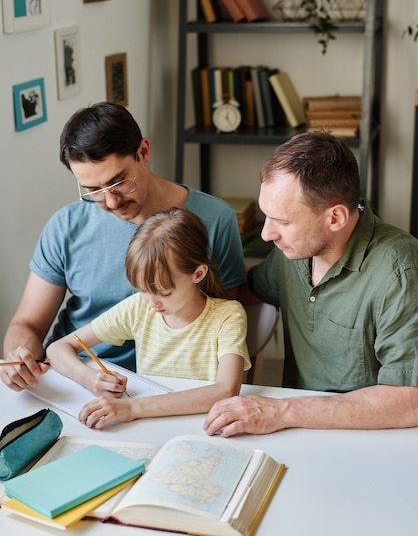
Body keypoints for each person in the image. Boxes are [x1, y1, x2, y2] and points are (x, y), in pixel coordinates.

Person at [2, 102, 246, 390]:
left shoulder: (214, 219)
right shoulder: (65, 226)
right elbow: (27, 324)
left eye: (119, 182)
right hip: (73, 375)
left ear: (143, 152)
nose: (111, 202)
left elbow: (225, 319)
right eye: (93, 191)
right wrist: (20, 359)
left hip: (168, 381)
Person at [204, 131, 418, 437]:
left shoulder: (401, 271)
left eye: (283, 221)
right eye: (267, 216)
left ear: (335, 218)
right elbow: (243, 291)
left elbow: (411, 400)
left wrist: (281, 410)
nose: (266, 234)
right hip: (297, 431)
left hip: (371, 438)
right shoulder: (295, 251)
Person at [47, 208, 250, 429]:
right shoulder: (138, 308)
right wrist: (88, 378)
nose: (152, 303)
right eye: (142, 290)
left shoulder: (228, 316)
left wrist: (132, 408)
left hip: (203, 428)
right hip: (148, 427)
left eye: (164, 293)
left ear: (198, 274)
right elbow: (57, 349)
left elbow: (226, 390)